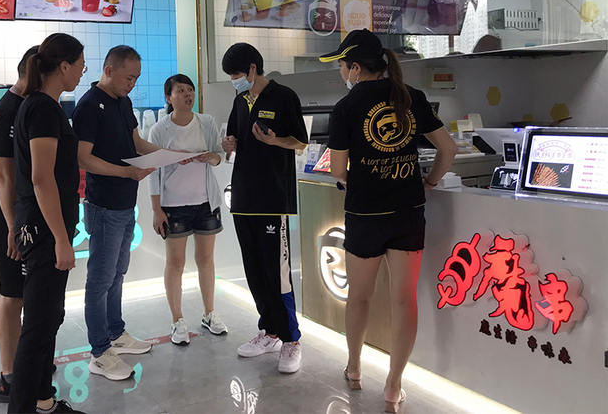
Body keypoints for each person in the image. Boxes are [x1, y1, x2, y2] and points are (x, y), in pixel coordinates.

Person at [321, 29, 457, 413]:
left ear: (355, 67)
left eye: (342, 66)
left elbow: (338, 169)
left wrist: (355, 176)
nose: (341, 73)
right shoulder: (410, 96)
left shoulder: (345, 107)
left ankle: (354, 368)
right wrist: (431, 181)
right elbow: (448, 148)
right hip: (408, 213)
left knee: (359, 297)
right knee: (404, 300)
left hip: (365, 216)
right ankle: (394, 386)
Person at [8, 33, 87, 414]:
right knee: (38, 328)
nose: (83, 72)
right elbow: (41, 179)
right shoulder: (42, 109)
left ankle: (44, 401)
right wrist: (60, 239)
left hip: (45, 228)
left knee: (50, 318)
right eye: (80, 65)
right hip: (43, 232)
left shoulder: (46, 107)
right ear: (64, 66)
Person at [72, 46, 159, 381]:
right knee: (100, 279)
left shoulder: (123, 102)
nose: (132, 84)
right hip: (103, 205)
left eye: (136, 78)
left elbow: (136, 142)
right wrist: (125, 173)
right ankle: (99, 351)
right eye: (128, 78)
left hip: (125, 203)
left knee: (118, 272)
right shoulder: (88, 105)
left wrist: (170, 154)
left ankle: (116, 333)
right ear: (109, 70)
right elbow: (83, 158)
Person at [220, 43, 308, 374]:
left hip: (272, 198)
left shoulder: (284, 97)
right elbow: (233, 139)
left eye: (237, 73)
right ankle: (269, 332)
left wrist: (275, 141)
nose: (234, 80)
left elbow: (300, 141)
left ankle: (291, 339)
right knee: (254, 271)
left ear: (253, 69)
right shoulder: (240, 100)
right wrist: (229, 144)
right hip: (244, 198)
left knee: (277, 273)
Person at [148, 74, 228, 345]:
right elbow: (153, 171)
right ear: (168, 98)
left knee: (206, 260)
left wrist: (211, 157)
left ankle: (209, 313)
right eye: (180, 91)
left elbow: (219, 155)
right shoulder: (159, 129)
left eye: (190, 90)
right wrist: (156, 209)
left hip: (206, 203)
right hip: (173, 205)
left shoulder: (206, 122)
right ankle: (177, 319)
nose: (187, 95)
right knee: (176, 263)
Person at [0, 45, 37, 403]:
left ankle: (25, 366)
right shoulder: (8, 111)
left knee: (24, 294)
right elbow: (4, 176)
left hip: (19, 217)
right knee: (12, 294)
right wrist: (13, 226)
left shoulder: (25, 106)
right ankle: (9, 377)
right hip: (8, 218)